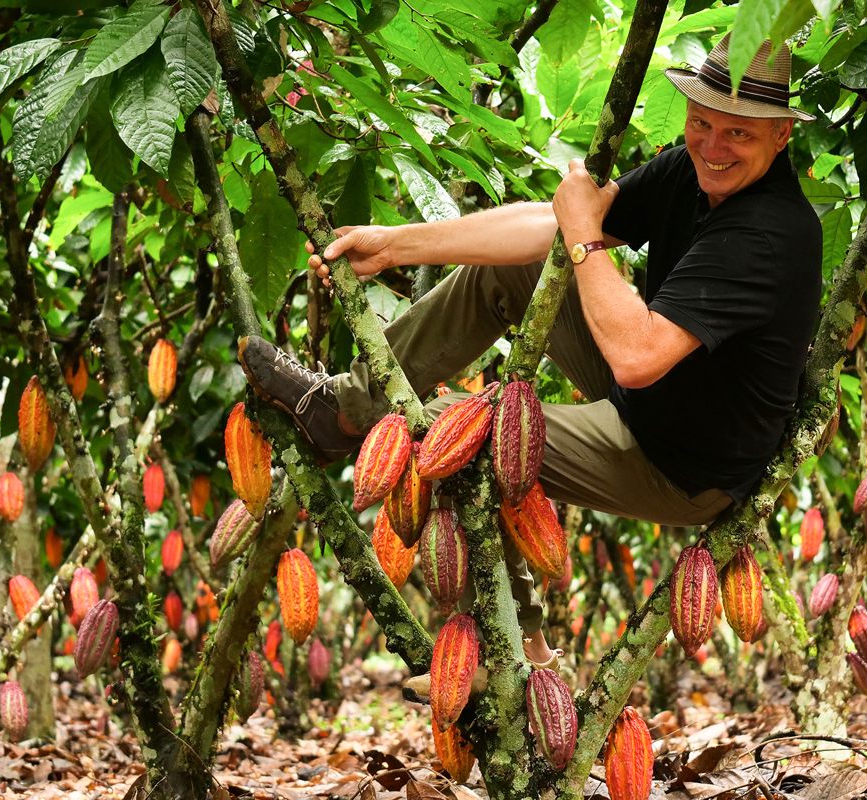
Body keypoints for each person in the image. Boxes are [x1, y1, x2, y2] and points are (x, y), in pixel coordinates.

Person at [238, 35, 822, 667]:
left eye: (737, 133)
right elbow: (553, 224)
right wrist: (398, 243)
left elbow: (636, 352)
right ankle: (345, 410)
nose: (711, 146)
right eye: (701, 122)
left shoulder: (770, 233)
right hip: (650, 397)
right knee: (519, 273)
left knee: (447, 439)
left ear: (782, 134)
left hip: (680, 462)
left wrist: (582, 233)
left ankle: (518, 653)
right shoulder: (692, 168)